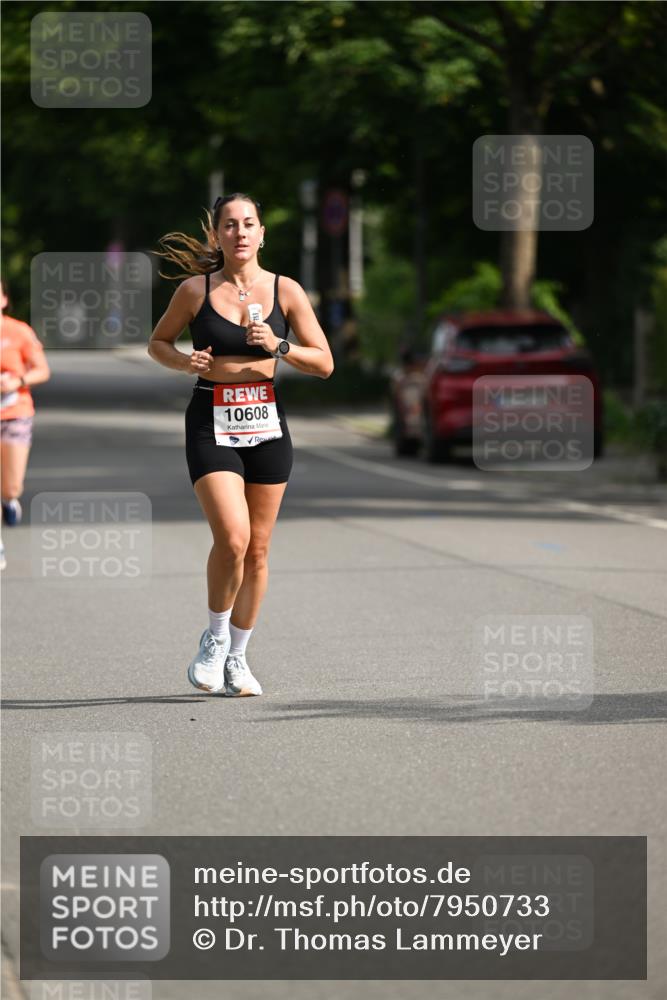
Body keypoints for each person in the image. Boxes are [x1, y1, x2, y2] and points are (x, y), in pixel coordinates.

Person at [149, 193, 334, 696]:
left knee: (258, 550)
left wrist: (278, 346)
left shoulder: (287, 290)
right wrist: (185, 362)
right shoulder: (195, 290)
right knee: (232, 538)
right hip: (212, 418)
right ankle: (212, 639)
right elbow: (158, 343)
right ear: (217, 235)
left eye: (249, 223)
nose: (240, 233)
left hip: (266, 420)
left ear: (262, 232)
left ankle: (238, 657)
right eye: (229, 225)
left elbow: (324, 362)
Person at [0, 279, 51, 569]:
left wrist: (15, 381)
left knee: (10, 486)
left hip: (15, 413)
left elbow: (42, 370)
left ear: (4, 300)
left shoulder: (18, 332)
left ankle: (8, 501)